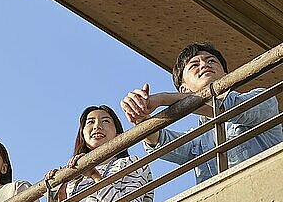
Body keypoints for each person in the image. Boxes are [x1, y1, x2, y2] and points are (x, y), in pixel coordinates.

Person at [121, 42, 283, 184]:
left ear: (227, 75)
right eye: (194, 65)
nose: (205, 64)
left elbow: (233, 108)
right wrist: (141, 116)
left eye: (211, 60)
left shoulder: (263, 97)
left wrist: (163, 98)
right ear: (184, 89)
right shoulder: (200, 139)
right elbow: (161, 142)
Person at [45, 105, 154, 202]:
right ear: (82, 134)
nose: (97, 126)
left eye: (105, 121)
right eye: (90, 122)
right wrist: (62, 197)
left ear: (117, 132)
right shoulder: (72, 177)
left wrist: (95, 176)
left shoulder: (131, 163)